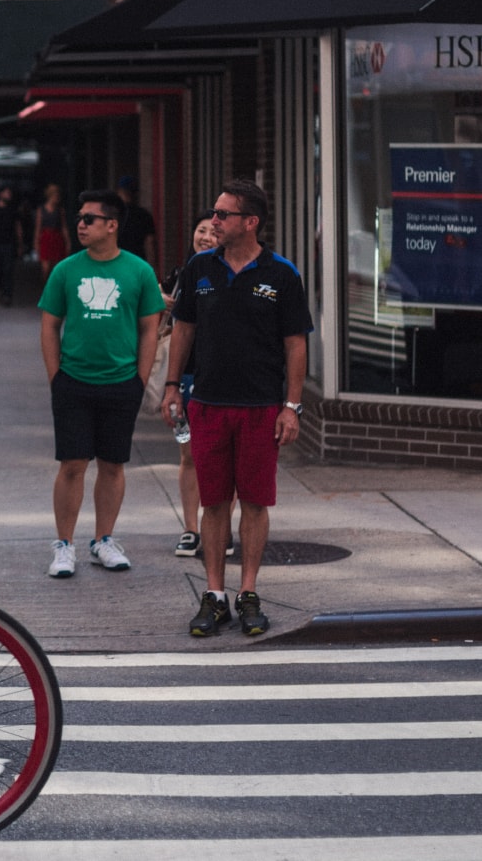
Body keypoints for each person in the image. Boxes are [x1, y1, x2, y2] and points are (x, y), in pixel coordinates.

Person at [162, 179, 313, 638]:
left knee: (254, 501)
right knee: (213, 503)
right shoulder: (199, 268)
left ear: (250, 222)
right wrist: (172, 387)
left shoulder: (281, 273)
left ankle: (248, 592)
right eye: (214, 212)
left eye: (224, 214)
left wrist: (291, 406)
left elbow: (296, 345)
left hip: (260, 408)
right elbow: (183, 329)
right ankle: (214, 595)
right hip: (207, 403)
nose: (214, 221)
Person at [39, 190, 165, 578]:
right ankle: (64, 545)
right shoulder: (65, 270)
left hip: (121, 382)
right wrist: (56, 377)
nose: (80, 224)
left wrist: (139, 380)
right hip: (74, 381)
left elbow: (150, 329)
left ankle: (103, 540)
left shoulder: (139, 271)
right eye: (79, 218)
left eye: (89, 219)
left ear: (112, 225)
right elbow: (49, 325)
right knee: (72, 464)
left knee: (112, 464)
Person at [169, 213, 222, 559]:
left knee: (223, 460)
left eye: (211, 232)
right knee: (189, 455)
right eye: (200, 230)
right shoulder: (181, 275)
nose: (205, 236)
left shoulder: (231, 274)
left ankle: (220, 529)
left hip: (223, 379)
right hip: (187, 378)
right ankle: (190, 528)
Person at [116, 175, 157, 266]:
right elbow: (150, 244)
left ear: (119, 192)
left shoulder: (113, 215)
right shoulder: (144, 215)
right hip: (137, 262)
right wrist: (152, 268)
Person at [34, 183, 68, 274]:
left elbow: (63, 226)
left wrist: (67, 241)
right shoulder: (41, 210)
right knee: (45, 267)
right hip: (46, 238)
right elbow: (38, 227)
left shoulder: (60, 210)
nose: (57, 197)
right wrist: (36, 242)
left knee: (57, 266)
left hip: (57, 237)